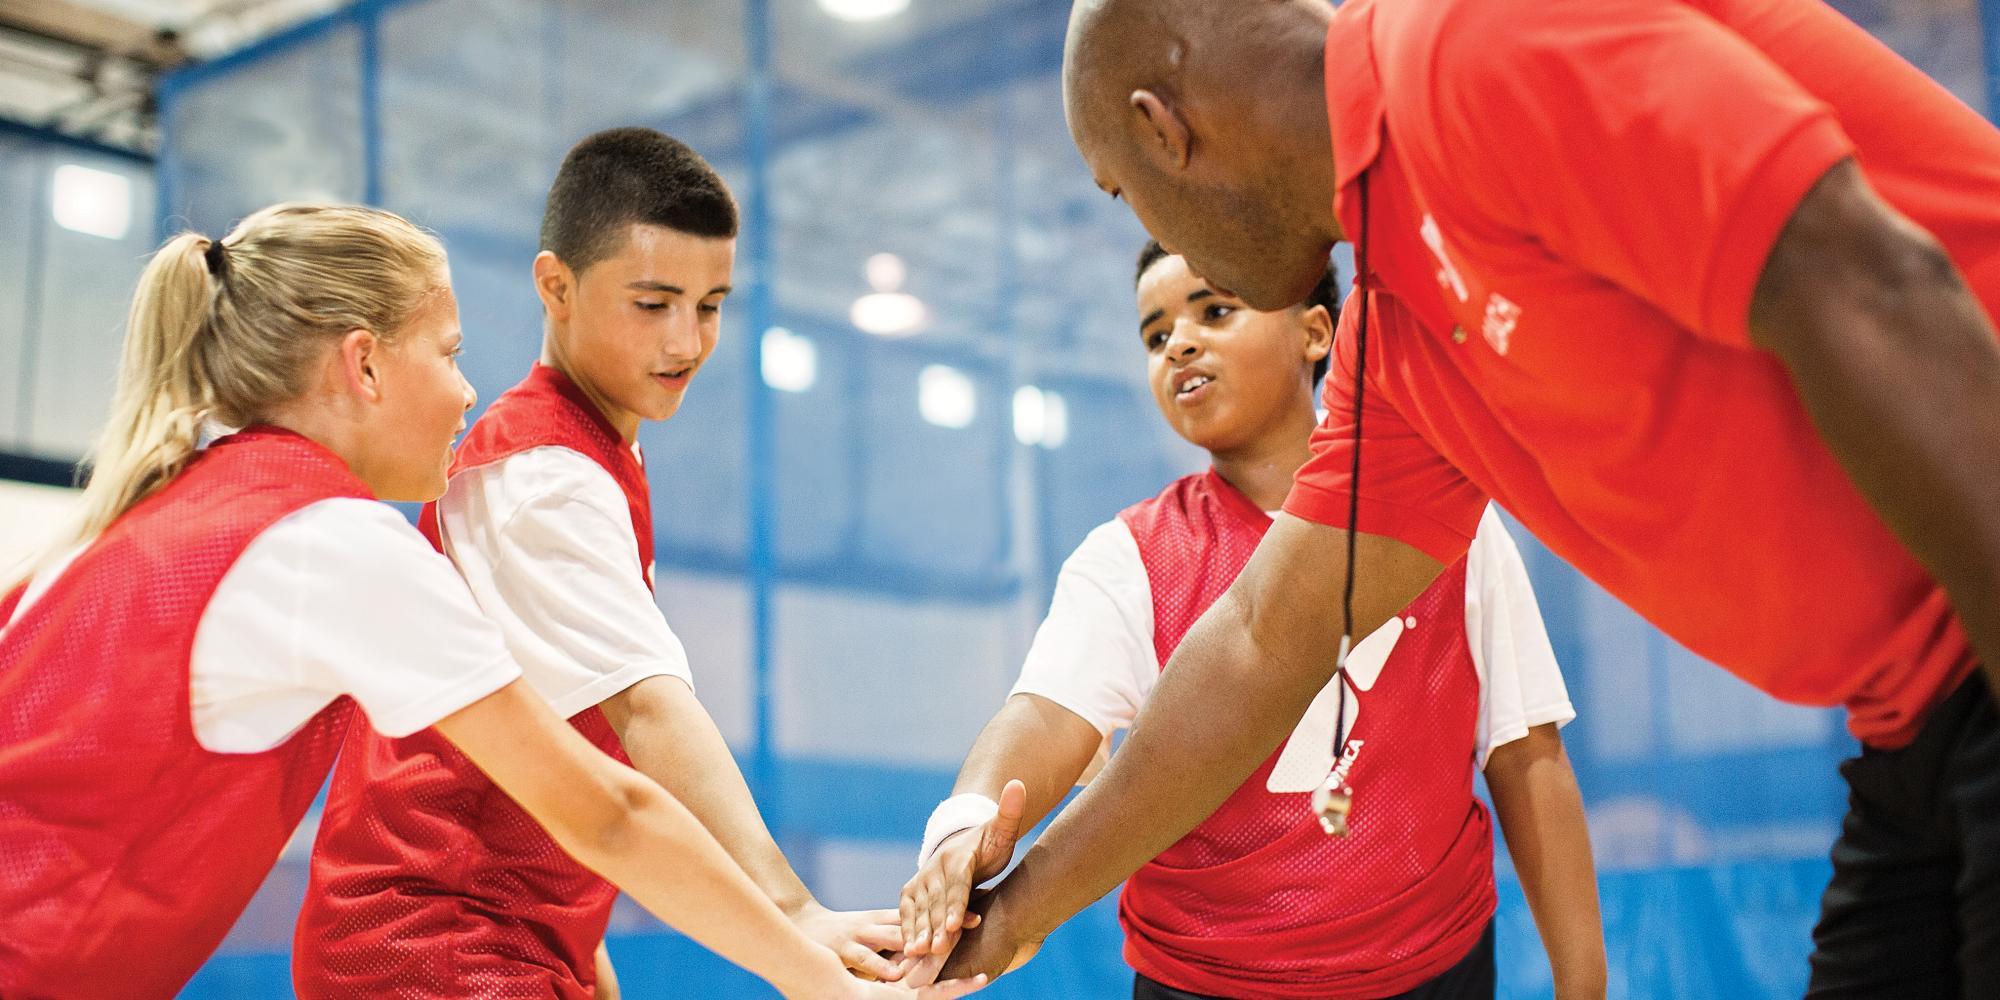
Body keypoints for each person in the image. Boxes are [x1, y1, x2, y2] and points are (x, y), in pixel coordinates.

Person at [937, 0, 2000, 994]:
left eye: (1120, 188)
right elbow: (1265, 640)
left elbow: (1864, 276)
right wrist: (1012, 911)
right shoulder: (1396, 344)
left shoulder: (1466, 40)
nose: (1174, 327)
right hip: (1911, 723)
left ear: (1161, 131)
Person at [0, 203, 983, 1000]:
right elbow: (606, 807)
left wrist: (574, 943)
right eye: (448, 350)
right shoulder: (331, 538)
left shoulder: (124, 521)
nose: (465, 390)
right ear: (364, 364)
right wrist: (815, 971)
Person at [293, 129, 906, 996]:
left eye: (712, 303)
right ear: (557, 287)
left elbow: (549, 756)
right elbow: (648, 716)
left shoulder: (590, 454)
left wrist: (584, 957)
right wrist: (794, 917)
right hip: (430, 950)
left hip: (490, 939)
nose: (688, 341)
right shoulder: (541, 478)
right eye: (653, 303)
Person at [900, 243, 1603, 999]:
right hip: (1207, 980)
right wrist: (970, 816)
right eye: (1155, 334)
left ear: (1316, 333)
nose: (1181, 343)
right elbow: (1044, 713)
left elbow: (1524, 751)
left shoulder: (1451, 523)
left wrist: (1583, 984)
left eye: (1215, 309)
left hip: (1439, 967)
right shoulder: (1128, 556)